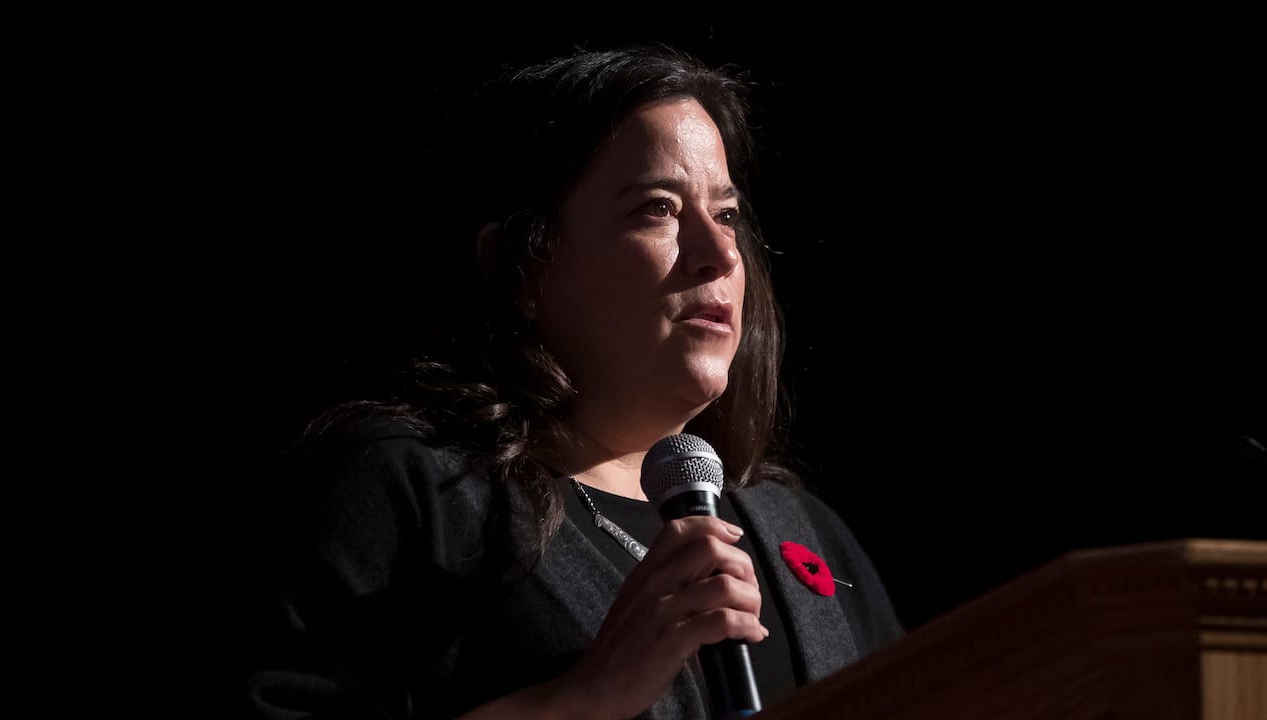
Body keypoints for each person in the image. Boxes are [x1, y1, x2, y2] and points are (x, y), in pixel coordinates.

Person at [213, 43, 905, 719]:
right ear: (523, 265)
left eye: (725, 214)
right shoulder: (405, 493)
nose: (719, 253)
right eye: (656, 208)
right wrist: (584, 700)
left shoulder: (804, 533)